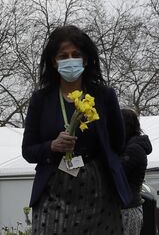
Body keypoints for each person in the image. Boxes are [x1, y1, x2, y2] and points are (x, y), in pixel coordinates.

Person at [21, 25, 131, 234]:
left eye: (75, 54)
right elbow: (28, 150)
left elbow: (118, 143)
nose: (69, 59)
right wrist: (52, 146)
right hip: (54, 188)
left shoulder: (104, 95)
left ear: (86, 59)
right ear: (54, 61)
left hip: (98, 190)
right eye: (63, 56)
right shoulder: (41, 100)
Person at [121, 108, 153, 235]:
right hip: (126, 207)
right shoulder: (130, 147)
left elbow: (119, 173)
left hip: (128, 209)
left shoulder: (133, 149)